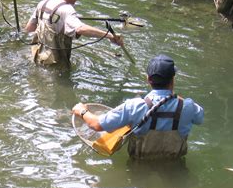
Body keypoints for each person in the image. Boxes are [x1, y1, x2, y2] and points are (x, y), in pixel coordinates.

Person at [72, 54, 204, 159]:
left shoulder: (135, 106)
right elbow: (200, 119)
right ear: (173, 79)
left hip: (139, 167)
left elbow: (96, 125)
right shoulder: (188, 106)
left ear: (148, 79)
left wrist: (82, 111)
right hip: (175, 169)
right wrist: (177, 98)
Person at [24, 0, 124, 66]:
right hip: (54, 65)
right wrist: (109, 35)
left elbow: (29, 28)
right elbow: (81, 29)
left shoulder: (43, 3)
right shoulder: (67, 9)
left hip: (36, 57)